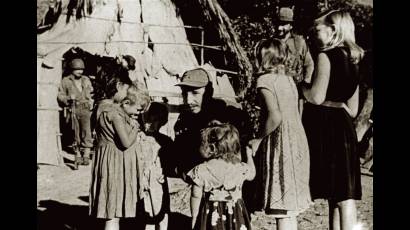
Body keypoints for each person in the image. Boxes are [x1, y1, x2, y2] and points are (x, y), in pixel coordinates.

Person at [301, 10, 364, 230]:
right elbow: (353, 109)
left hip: (327, 128)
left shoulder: (325, 56)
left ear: (333, 29)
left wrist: (301, 87)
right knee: (341, 195)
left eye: (317, 29)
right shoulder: (354, 58)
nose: (313, 33)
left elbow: (316, 97)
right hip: (344, 126)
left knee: (338, 196)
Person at [247, 38, 311, 230]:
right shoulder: (289, 80)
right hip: (297, 139)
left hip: (280, 142)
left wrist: (258, 139)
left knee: (282, 204)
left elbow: (275, 116)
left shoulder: (264, 80)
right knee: (289, 206)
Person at [89, 84, 150, 230]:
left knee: (112, 207)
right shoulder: (115, 115)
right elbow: (126, 142)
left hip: (110, 161)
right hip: (114, 164)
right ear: (126, 103)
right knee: (113, 210)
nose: (138, 114)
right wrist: (136, 127)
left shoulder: (105, 109)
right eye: (138, 110)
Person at [173, 68, 252, 180]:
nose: (188, 100)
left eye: (195, 93)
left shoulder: (227, 115)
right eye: (184, 94)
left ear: (209, 92)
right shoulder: (186, 117)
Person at [187, 121, 256, 230]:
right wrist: (249, 155)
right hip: (236, 218)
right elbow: (252, 174)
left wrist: (194, 218)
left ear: (213, 148)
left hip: (212, 219)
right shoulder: (241, 168)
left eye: (202, 143)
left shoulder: (202, 170)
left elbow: (196, 195)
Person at [137, 102, 173, 230]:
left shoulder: (165, 141)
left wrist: (165, 172)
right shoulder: (138, 139)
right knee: (147, 210)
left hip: (158, 180)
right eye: (147, 120)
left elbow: (170, 163)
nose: (150, 124)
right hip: (144, 180)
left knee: (162, 209)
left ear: (162, 121)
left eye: (155, 120)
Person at [273, 6, 314, 114]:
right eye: (278, 23)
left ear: (291, 26)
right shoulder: (271, 44)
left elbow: (309, 64)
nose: (279, 28)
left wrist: (305, 85)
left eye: (283, 24)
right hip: (276, 92)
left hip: (295, 92)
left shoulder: (299, 43)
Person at [57, 58, 94, 169]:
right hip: (73, 109)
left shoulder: (86, 79)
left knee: (86, 132)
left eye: (81, 69)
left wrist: (91, 101)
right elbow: (60, 95)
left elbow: (91, 92)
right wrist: (67, 99)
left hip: (85, 109)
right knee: (75, 133)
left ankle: (86, 155)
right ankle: (77, 154)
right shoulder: (66, 81)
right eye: (77, 69)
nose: (80, 71)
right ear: (72, 69)